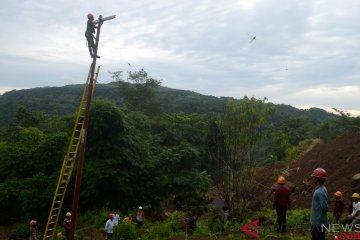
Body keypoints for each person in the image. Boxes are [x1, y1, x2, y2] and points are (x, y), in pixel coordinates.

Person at [310, 168, 328, 240]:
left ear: (317, 179)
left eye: (314, 178)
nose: (313, 179)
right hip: (316, 221)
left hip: (319, 222)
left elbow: (324, 207)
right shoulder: (320, 189)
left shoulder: (320, 191)